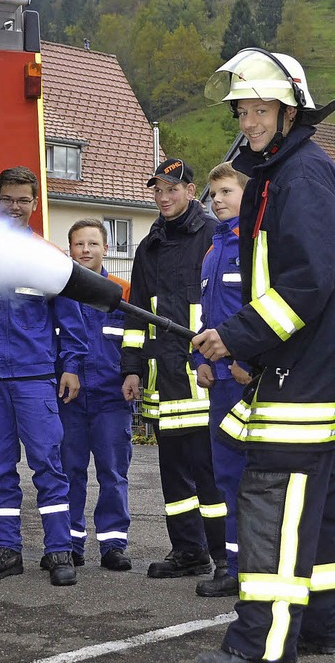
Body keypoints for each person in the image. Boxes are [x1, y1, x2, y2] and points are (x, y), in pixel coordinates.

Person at [193, 49, 335, 662]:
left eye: (258, 110)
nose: (246, 123)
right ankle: (322, 628)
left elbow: (309, 279)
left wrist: (241, 337)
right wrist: (254, 348)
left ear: (288, 111)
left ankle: (256, 649)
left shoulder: (300, 177)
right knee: (318, 522)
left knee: (272, 514)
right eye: (242, 111)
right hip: (300, 372)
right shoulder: (284, 174)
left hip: (302, 387)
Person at [0, 166, 88, 587]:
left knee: (48, 465)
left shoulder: (46, 259)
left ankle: (58, 551)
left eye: (23, 199)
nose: (14, 206)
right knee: (0, 469)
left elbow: (72, 322)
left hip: (35, 380)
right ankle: (6, 551)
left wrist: (72, 368)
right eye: (7, 198)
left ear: (35, 204)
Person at [121, 158, 228, 582]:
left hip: (203, 373)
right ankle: (188, 551)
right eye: (158, 190)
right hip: (161, 377)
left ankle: (225, 558)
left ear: (190, 190)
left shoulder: (213, 235)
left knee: (210, 472)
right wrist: (130, 368)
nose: (163, 197)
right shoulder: (148, 247)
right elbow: (135, 317)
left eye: (171, 189)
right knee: (173, 473)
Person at [52, 218, 134, 571]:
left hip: (112, 398)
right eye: (79, 244)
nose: (85, 250)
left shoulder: (122, 291)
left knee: (113, 473)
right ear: (69, 249)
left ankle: (113, 545)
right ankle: (70, 543)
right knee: (69, 471)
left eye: (93, 244)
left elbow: (136, 341)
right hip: (68, 399)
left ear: (106, 249)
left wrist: (133, 374)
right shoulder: (57, 290)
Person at [192, 162, 251, 598]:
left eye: (228, 191)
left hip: (249, 379)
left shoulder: (253, 246)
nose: (219, 200)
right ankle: (233, 567)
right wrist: (200, 360)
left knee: (256, 478)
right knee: (227, 475)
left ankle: (252, 567)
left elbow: (261, 310)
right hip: (221, 381)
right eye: (214, 194)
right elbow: (206, 318)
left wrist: (249, 359)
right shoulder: (213, 251)